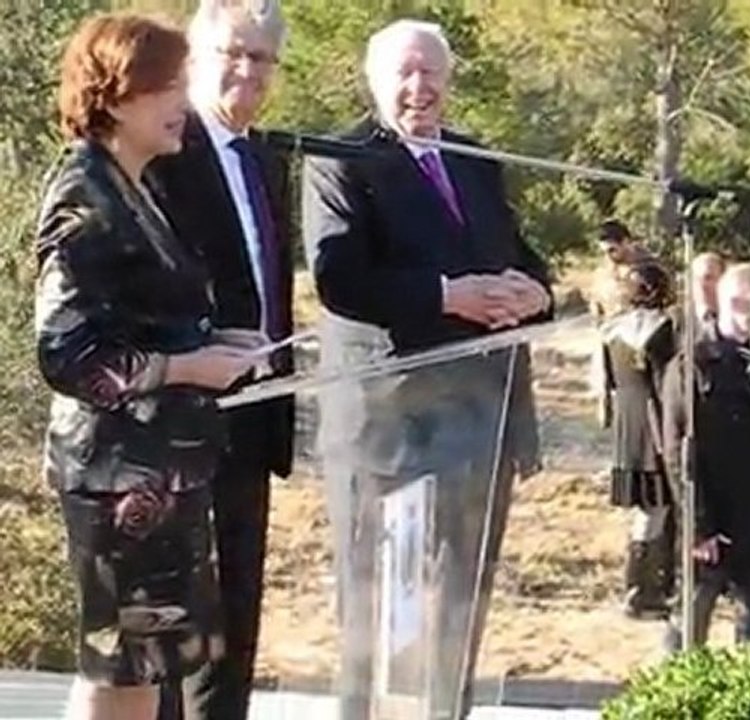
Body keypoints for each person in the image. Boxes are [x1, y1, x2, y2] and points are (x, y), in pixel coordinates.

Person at [302, 18, 552, 720]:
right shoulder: (340, 157)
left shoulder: (474, 158)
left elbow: (519, 255)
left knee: (460, 602)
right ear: (375, 81)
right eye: (405, 73)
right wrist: (450, 296)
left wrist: (538, 292)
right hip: (389, 429)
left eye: (432, 72)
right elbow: (341, 280)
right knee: (377, 614)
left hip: (482, 420)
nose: (420, 87)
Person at [35, 14, 259, 720]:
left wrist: (219, 341)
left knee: (148, 672)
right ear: (115, 92)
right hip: (118, 480)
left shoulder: (135, 188)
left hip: (163, 472)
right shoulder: (84, 192)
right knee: (122, 673)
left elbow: (139, 317)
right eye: (166, 86)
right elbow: (69, 355)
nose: (182, 104)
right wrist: (190, 367)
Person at [147, 2, 294, 719]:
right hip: (177, 423)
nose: (247, 70)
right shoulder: (166, 156)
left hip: (253, 420)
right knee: (181, 638)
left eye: (261, 57)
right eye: (232, 53)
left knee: (237, 627)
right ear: (195, 58)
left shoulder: (264, 157)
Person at [662, 263, 750, 648]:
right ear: (725, 303)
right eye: (744, 306)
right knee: (689, 625)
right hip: (712, 518)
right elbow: (676, 453)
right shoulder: (692, 365)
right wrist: (699, 524)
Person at [598, 259, 680, 618]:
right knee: (656, 508)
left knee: (649, 509)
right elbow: (669, 385)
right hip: (655, 423)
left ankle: (654, 583)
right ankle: (641, 590)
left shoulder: (610, 330)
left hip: (627, 424)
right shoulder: (664, 329)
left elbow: (605, 384)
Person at [589, 220, 649, 320]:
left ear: (625, 242)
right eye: (604, 252)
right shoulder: (602, 272)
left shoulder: (648, 269)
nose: (608, 256)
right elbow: (595, 307)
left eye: (612, 250)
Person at [690, 251, 725, 326]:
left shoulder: (736, 320)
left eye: (707, 278)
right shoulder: (675, 323)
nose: (701, 284)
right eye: (696, 279)